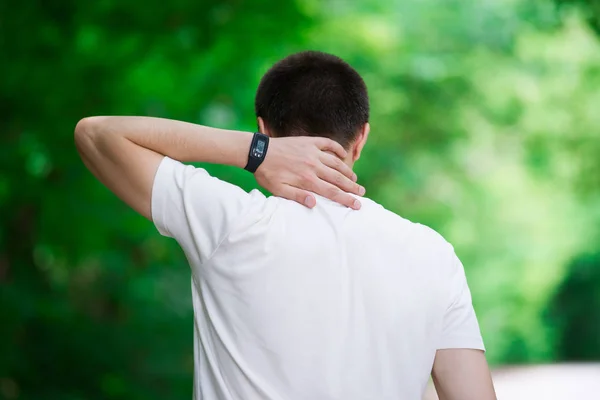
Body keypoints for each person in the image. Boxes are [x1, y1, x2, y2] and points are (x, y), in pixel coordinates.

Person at [75, 51, 496, 400]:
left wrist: (257, 152)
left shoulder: (232, 224)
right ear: (362, 138)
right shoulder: (432, 254)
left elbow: (97, 134)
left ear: (263, 128)